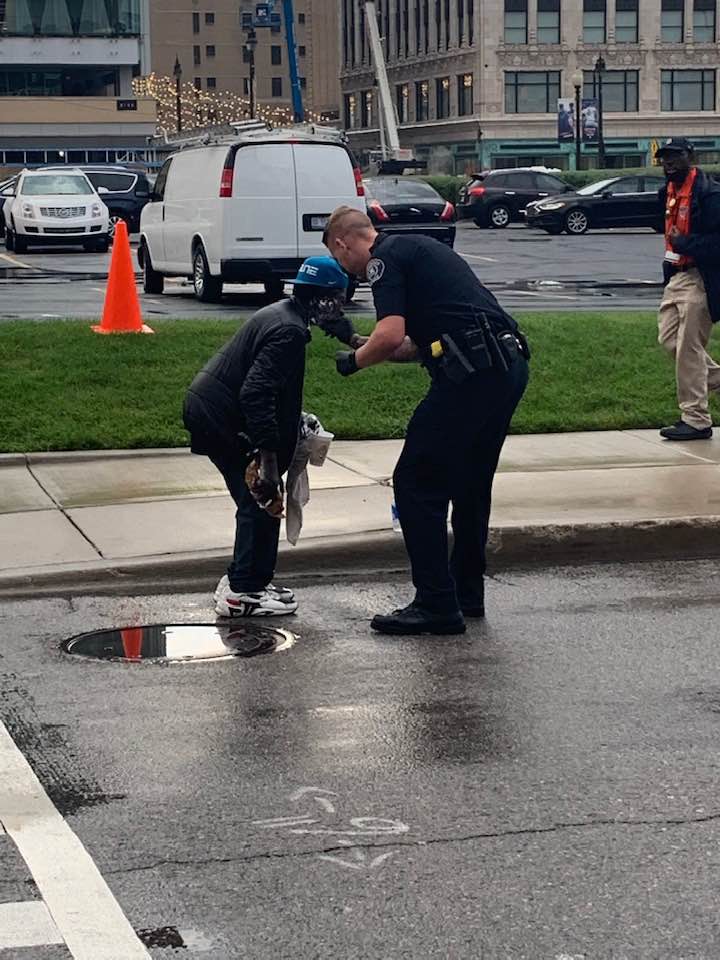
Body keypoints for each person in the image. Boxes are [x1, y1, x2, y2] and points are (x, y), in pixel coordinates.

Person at [324, 207, 529, 636]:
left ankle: (435, 603)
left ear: (343, 243)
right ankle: (465, 594)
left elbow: (391, 335)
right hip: (504, 367)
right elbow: (414, 346)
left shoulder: (382, 260)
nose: (348, 271)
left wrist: (353, 365)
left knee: (415, 482)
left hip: (472, 376)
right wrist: (356, 341)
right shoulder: (416, 247)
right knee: (471, 485)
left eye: (340, 259)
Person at [182, 257, 356, 618]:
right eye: (338, 297)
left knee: (262, 502)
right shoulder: (289, 332)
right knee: (259, 498)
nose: (341, 304)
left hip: (214, 410)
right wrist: (269, 460)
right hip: (221, 418)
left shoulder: (286, 313)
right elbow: (256, 394)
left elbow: (271, 387)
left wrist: (350, 335)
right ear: (322, 298)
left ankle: (252, 582)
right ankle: (241, 592)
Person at [656, 138, 720, 440]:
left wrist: (685, 244)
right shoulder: (666, 191)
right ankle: (716, 378)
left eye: (675, 157)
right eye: (664, 158)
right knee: (669, 340)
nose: (669, 163)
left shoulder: (711, 195)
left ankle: (696, 419)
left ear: (691, 156)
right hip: (677, 275)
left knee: (689, 349)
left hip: (702, 277)